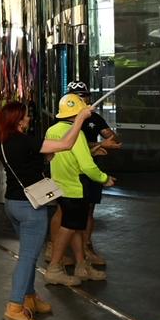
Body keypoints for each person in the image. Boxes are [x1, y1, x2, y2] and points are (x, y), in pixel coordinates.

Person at [0, 100, 91, 320]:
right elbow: (67, 143)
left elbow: (30, 162)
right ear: (19, 120)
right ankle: (15, 307)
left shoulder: (5, 142)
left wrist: (44, 159)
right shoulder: (25, 140)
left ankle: (29, 297)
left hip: (12, 204)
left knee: (28, 254)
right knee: (28, 258)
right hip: (31, 208)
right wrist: (81, 117)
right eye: (26, 116)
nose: (29, 119)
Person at [46, 94, 115, 285]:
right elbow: (86, 166)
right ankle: (54, 268)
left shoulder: (52, 130)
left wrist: (91, 149)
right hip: (76, 188)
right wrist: (104, 178)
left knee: (75, 227)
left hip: (60, 186)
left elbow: (58, 155)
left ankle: (81, 266)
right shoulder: (78, 134)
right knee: (68, 228)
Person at [63, 81, 122, 268]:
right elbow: (67, 145)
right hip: (71, 171)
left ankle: (86, 248)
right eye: (77, 96)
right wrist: (98, 146)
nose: (82, 99)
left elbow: (112, 138)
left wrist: (105, 142)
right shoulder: (63, 122)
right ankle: (60, 249)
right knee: (66, 212)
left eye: (85, 96)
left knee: (88, 210)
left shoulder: (94, 119)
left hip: (91, 169)